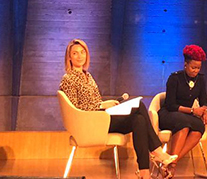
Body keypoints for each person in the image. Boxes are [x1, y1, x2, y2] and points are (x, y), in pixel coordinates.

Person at [58, 39, 177, 179]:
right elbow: (76, 108)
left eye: (82, 52)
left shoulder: (88, 76)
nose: (79, 56)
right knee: (139, 106)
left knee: (139, 120)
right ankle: (157, 152)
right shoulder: (68, 79)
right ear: (69, 57)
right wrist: (101, 106)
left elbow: (93, 102)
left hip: (100, 118)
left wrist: (105, 104)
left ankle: (144, 172)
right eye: (75, 53)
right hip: (90, 124)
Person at [158, 45, 207, 167]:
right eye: (193, 67)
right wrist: (192, 110)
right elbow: (171, 105)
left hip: (186, 116)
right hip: (169, 114)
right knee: (183, 124)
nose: (196, 71)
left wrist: (205, 110)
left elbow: (204, 101)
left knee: (199, 127)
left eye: (198, 68)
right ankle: (172, 166)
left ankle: (171, 162)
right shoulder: (174, 78)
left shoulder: (200, 79)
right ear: (185, 64)